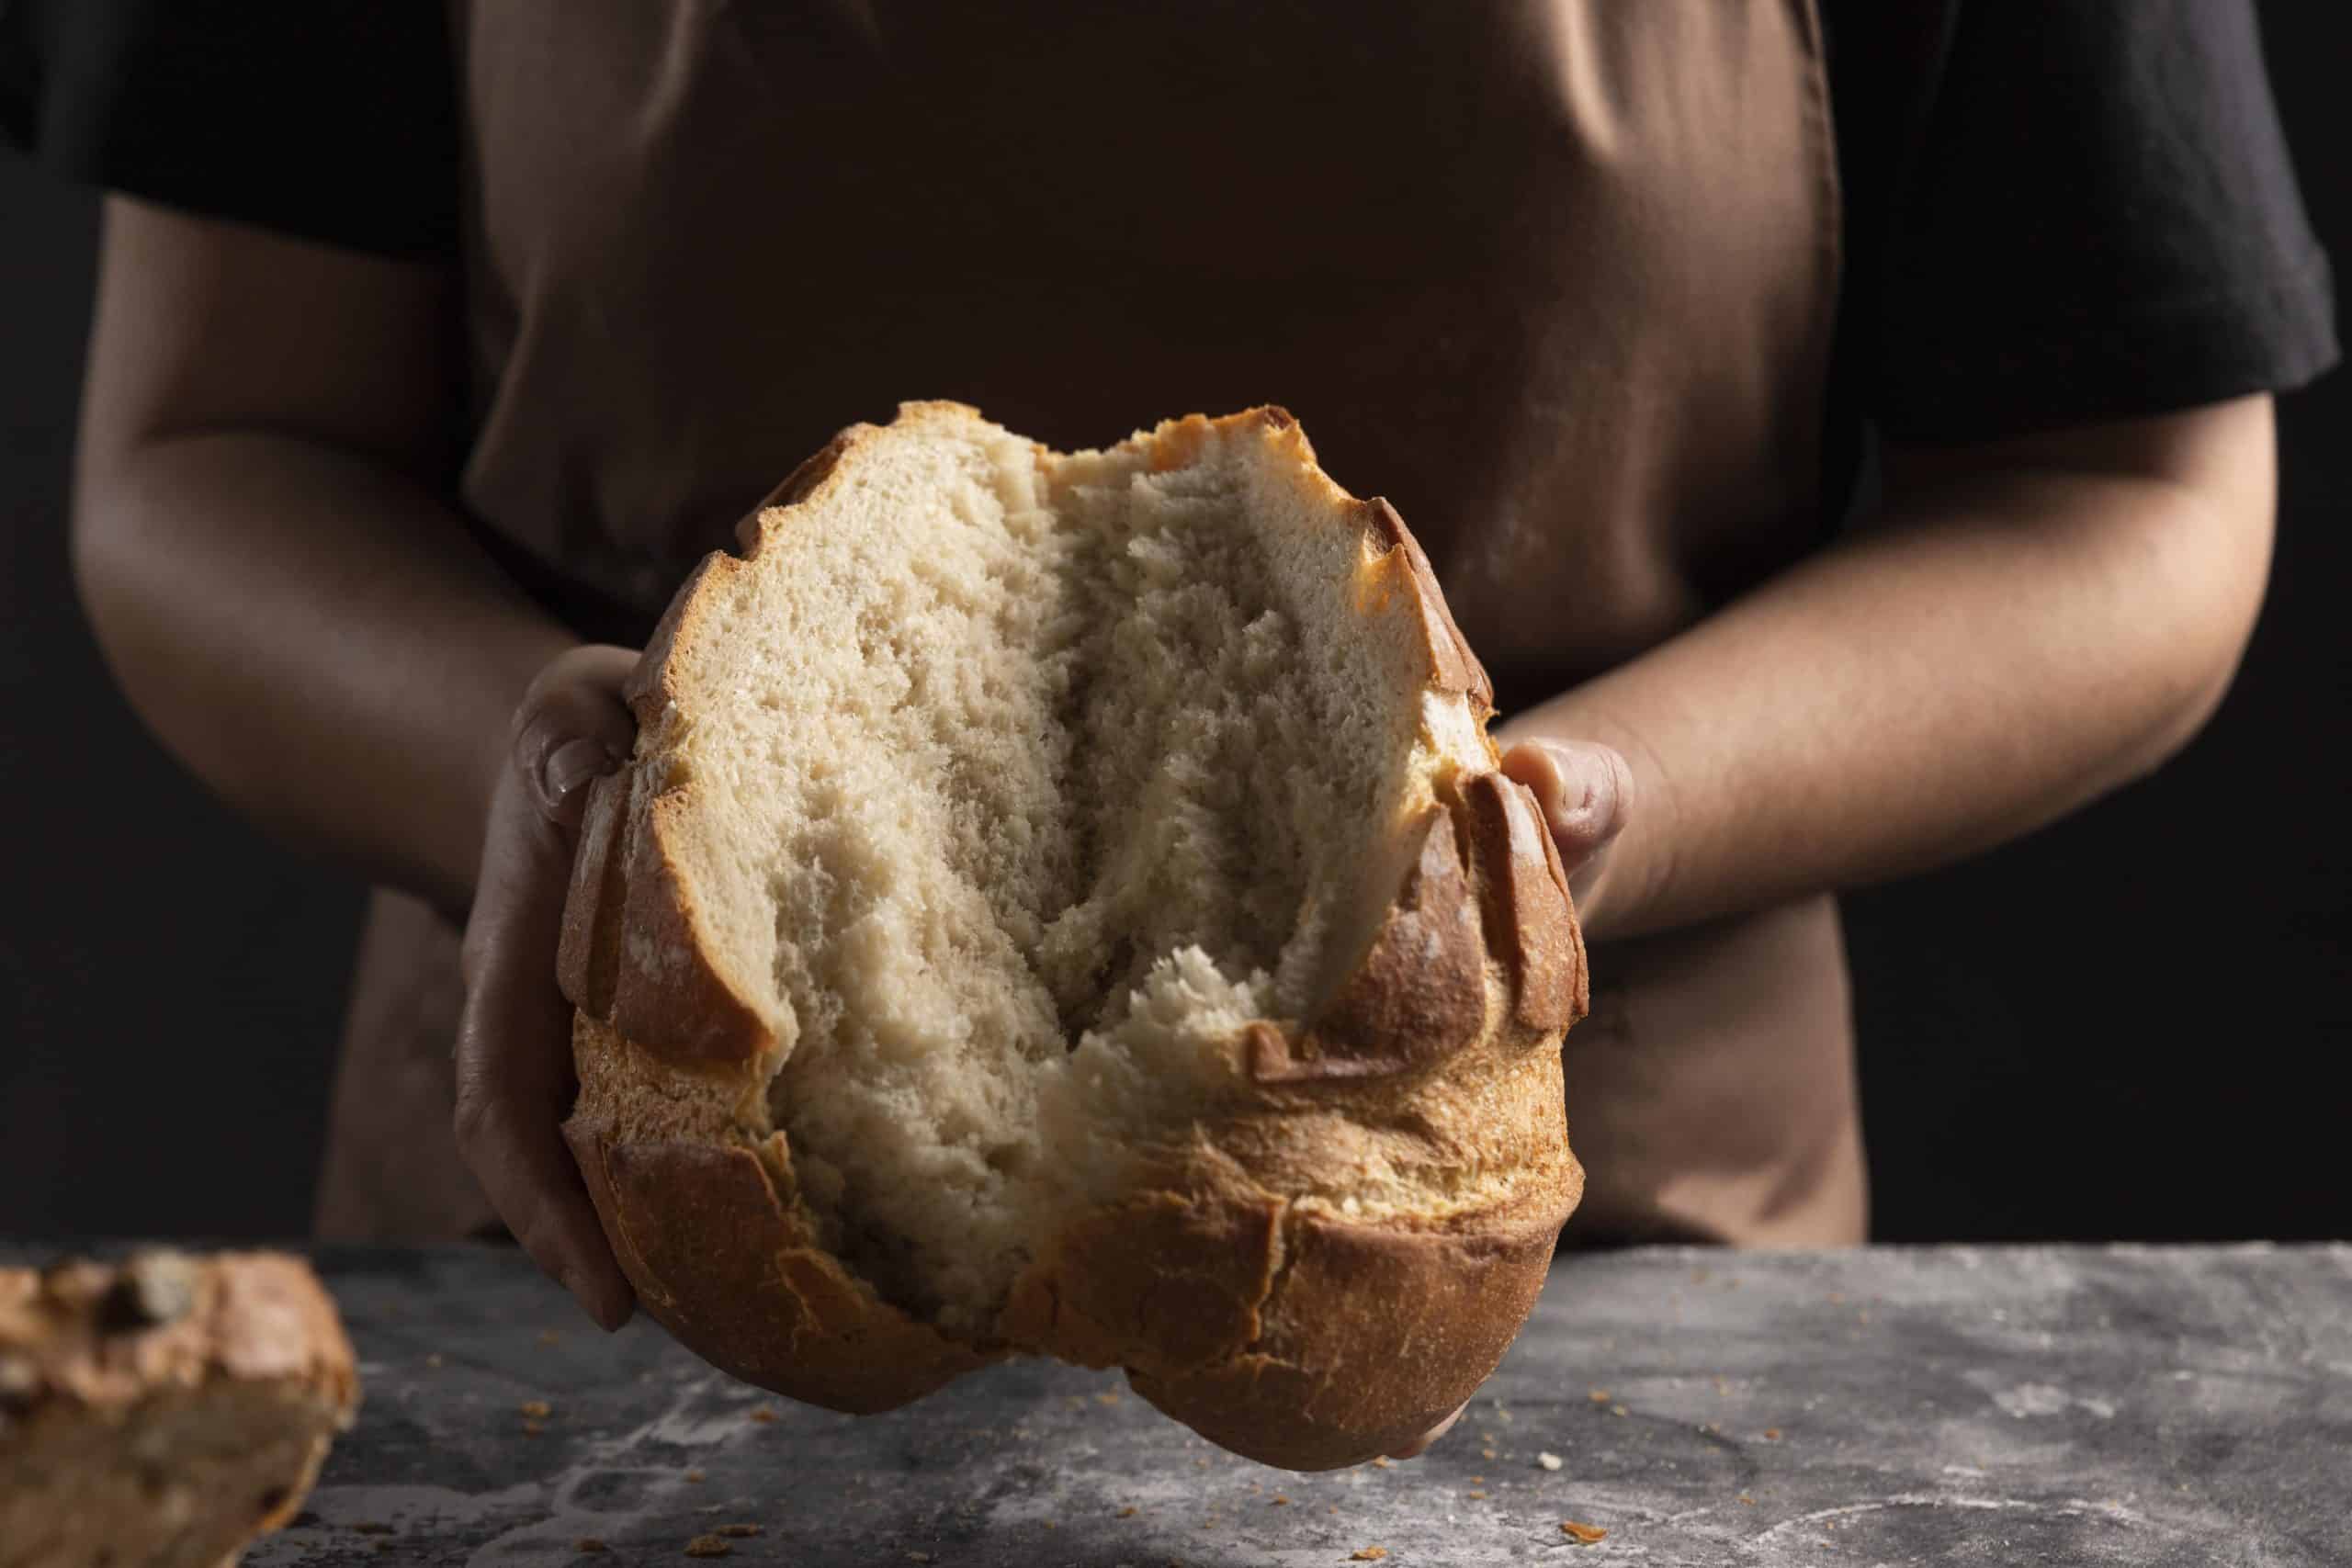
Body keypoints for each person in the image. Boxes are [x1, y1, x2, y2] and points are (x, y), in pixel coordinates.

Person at [2, 1, 2335, 1458]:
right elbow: (213, 452)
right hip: (617, 1305)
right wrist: (570, 797)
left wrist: (1578, 820)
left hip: (1609, 1315)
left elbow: (2128, 496)